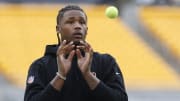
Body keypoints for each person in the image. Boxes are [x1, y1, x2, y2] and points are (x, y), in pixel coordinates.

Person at [24, 5, 128, 101]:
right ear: (58, 29)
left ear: (86, 29)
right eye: (70, 22)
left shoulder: (106, 62)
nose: (78, 26)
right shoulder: (40, 66)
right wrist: (60, 76)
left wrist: (88, 75)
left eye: (82, 22)